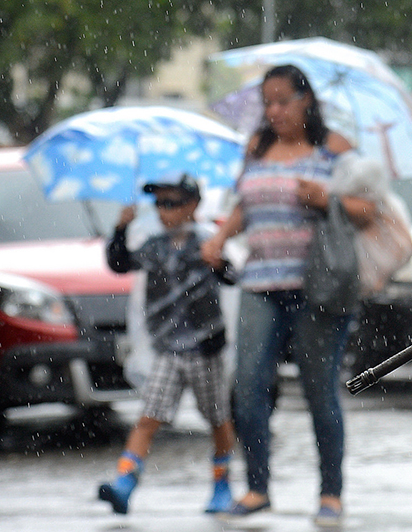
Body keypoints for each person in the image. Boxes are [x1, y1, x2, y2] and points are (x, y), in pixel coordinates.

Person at [200, 64, 375, 526]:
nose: (274, 111)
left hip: (317, 289)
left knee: (321, 392)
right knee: (248, 389)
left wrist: (326, 199)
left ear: (306, 101)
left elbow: (370, 208)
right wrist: (220, 240)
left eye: (283, 101)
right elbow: (244, 205)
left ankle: (330, 494)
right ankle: (258, 487)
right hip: (260, 284)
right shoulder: (257, 147)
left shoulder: (333, 149)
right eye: (268, 102)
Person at [97, 172, 238, 516]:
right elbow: (119, 264)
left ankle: (222, 482)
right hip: (168, 349)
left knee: (217, 418)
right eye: (158, 203)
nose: (164, 211)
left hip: (204, 349)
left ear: (193, 205)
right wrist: (120, 229)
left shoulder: (205, 242)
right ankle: (125, 481)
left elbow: (232, 275)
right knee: (149, 416)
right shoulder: (155, 246)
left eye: (171, 203)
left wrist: (217, 261)